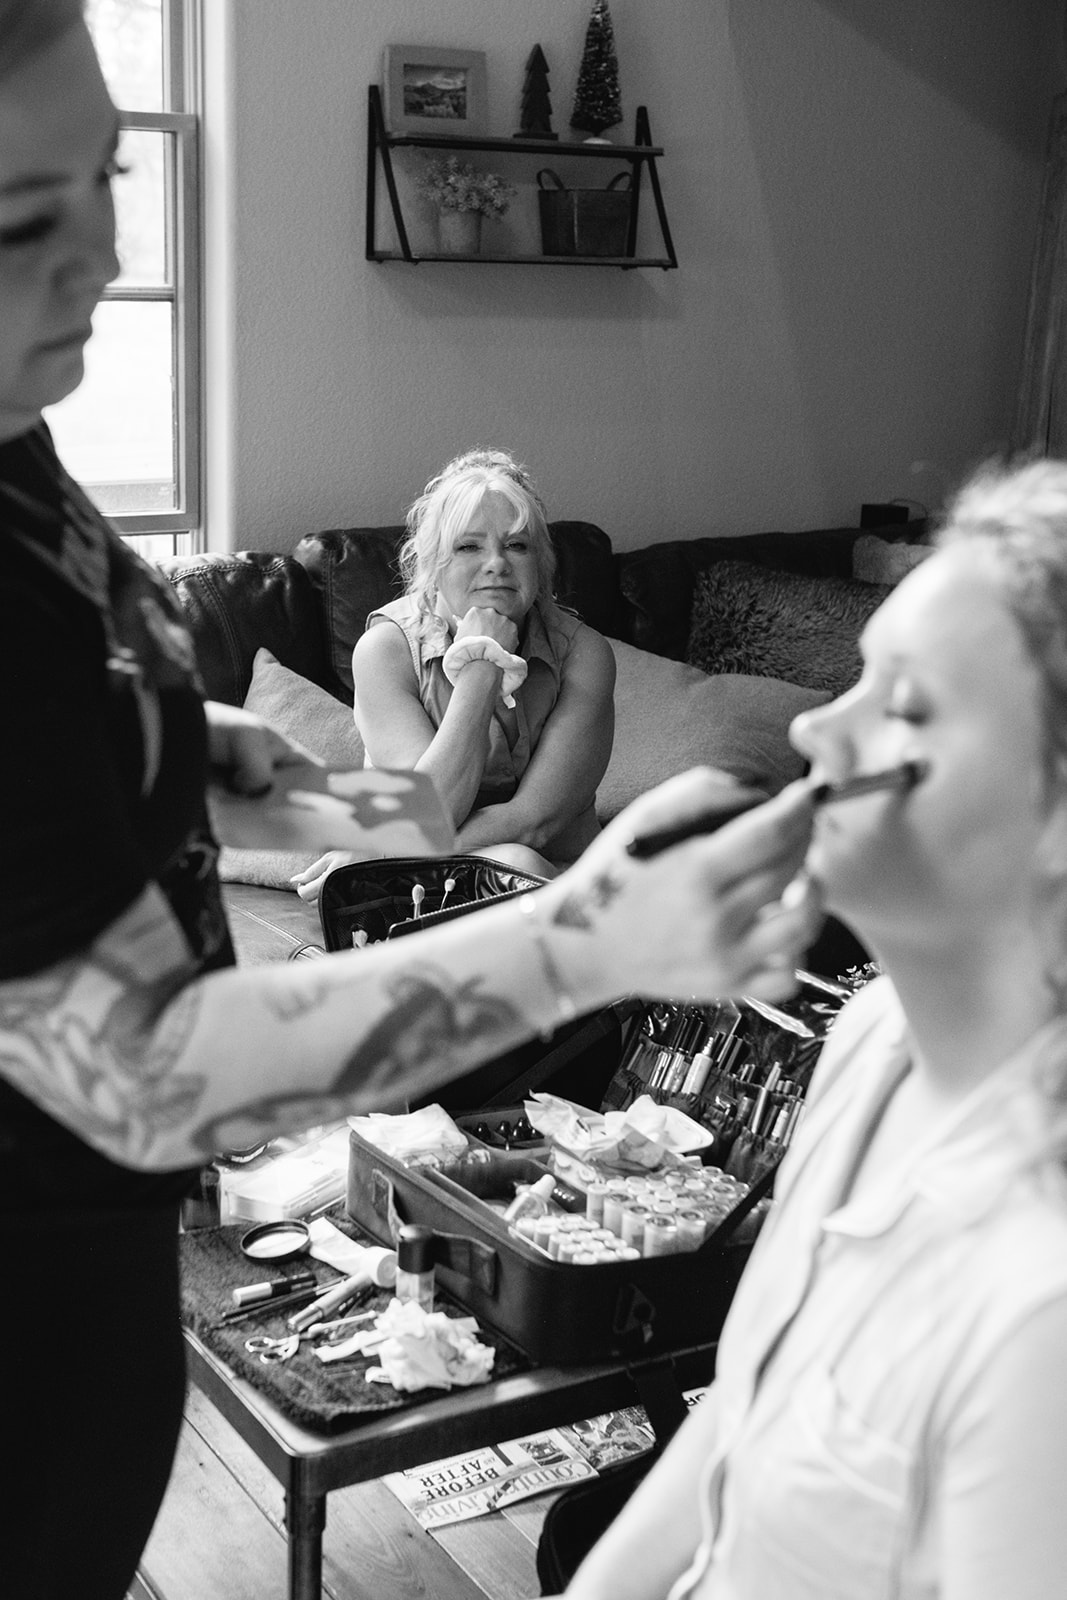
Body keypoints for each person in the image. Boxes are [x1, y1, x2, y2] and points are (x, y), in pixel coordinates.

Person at [0, 7, 820, 1596]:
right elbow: (143, 1079)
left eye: (103, 174)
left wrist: (170, 743)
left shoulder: (16, 431)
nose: (98, 255)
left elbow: (105, 737)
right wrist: (582, 941)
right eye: (26, 217)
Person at [555, 458, 1067, 1600]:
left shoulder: (1040, 1307)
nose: (817, 733)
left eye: (905, 706)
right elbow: (739, 1411)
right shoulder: (871, 1036)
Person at [292, 447, 616, 902]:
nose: (497, 563)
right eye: (469, 546)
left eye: (517, 545)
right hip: (427, 889)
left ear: (540, 564)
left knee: (517, 863)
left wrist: (380, 857)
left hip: (554, 881)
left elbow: (532, 824)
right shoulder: (385, 651)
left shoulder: (584, 653)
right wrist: (482, 665)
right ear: (432, 563)